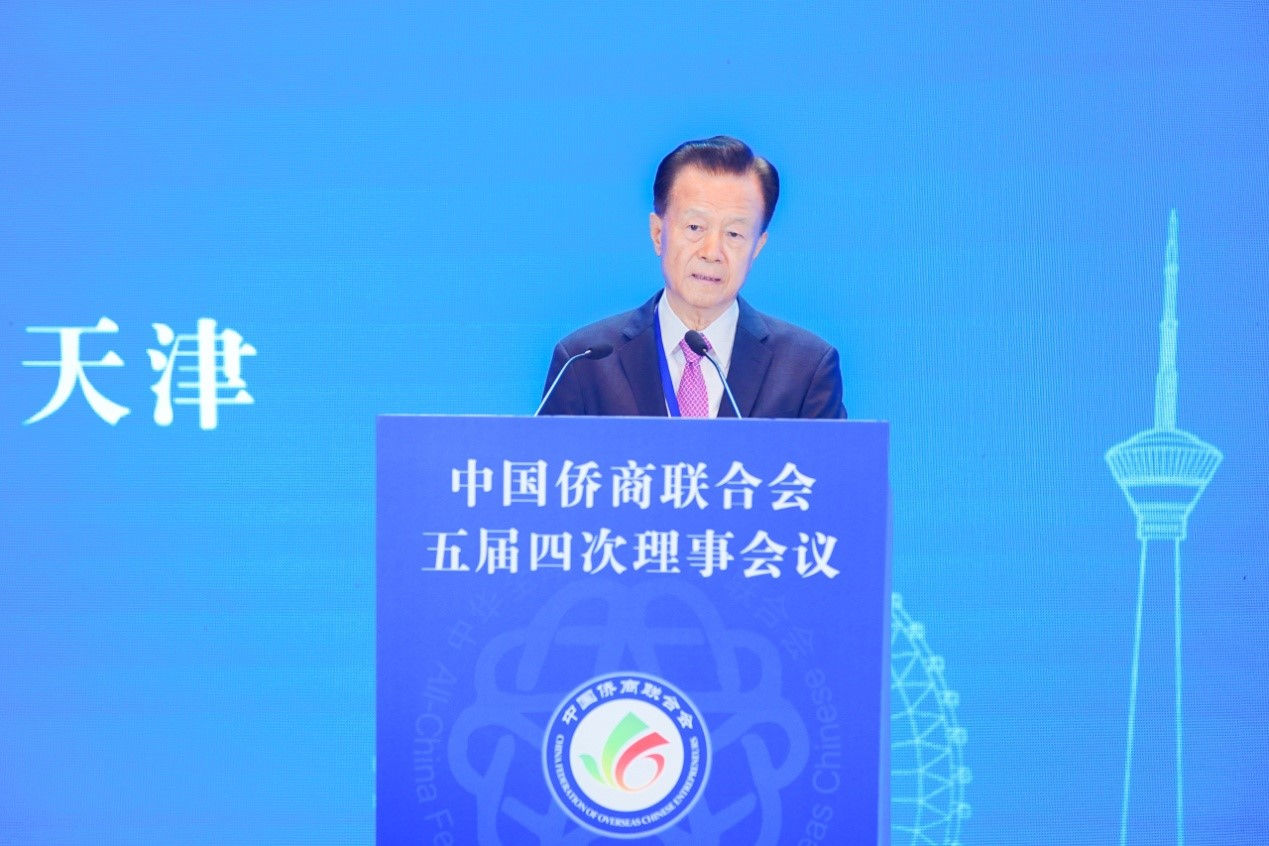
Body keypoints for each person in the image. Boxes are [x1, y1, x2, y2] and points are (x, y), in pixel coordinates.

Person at [538, 136, 846, 419]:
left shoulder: (806, 370)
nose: (712, 252)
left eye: (734, 233)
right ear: (657, 234)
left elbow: (834, 464)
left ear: (757, 246)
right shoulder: (584, 364)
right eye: (695, 228)